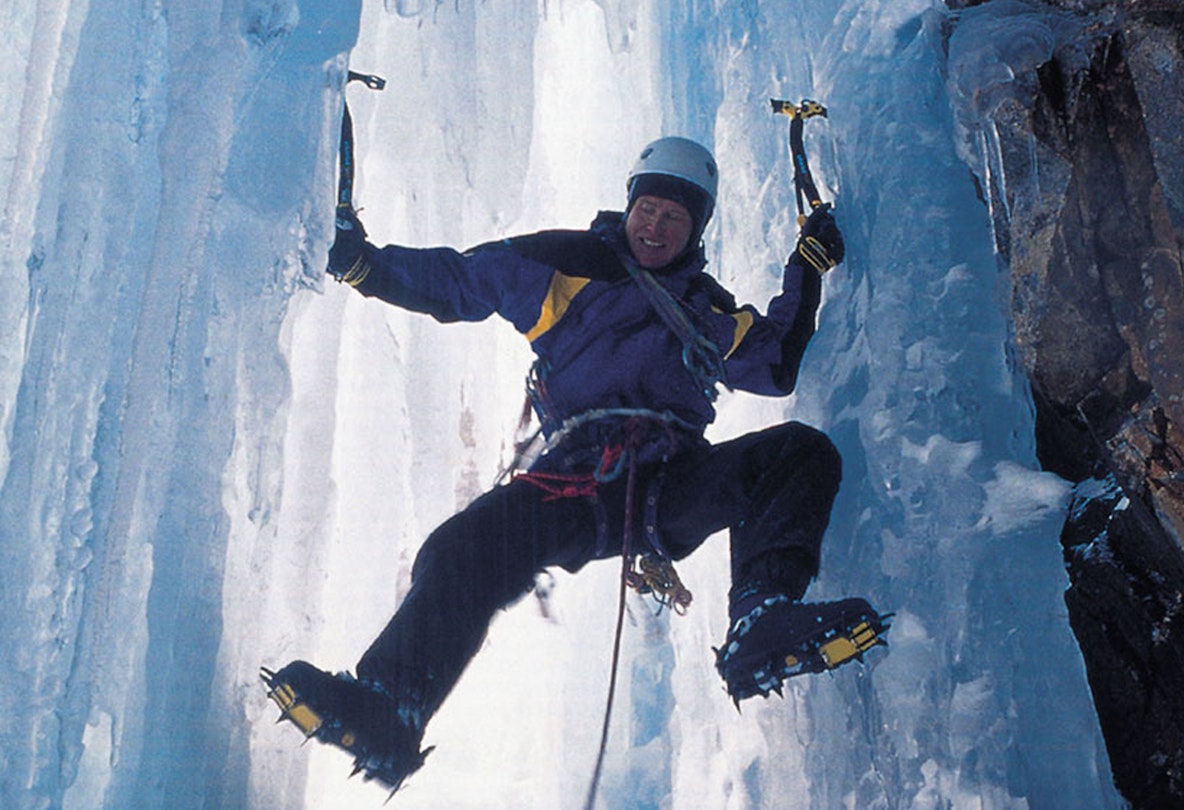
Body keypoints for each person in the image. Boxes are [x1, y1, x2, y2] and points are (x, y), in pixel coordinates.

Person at [262, 137, 887, 787]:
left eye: (675, 217)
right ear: (629, 206)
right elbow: (457, 283)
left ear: (696, 227)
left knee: (796, 452)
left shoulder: (705, 307)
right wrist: (363, 263)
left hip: (670, 478)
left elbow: (775, 362)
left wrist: (806, 266)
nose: (657, 226)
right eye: (649, 209)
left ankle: (759, 625)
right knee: (465, 546)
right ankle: (390, 710)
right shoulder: (564, 263)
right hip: (577, 481)